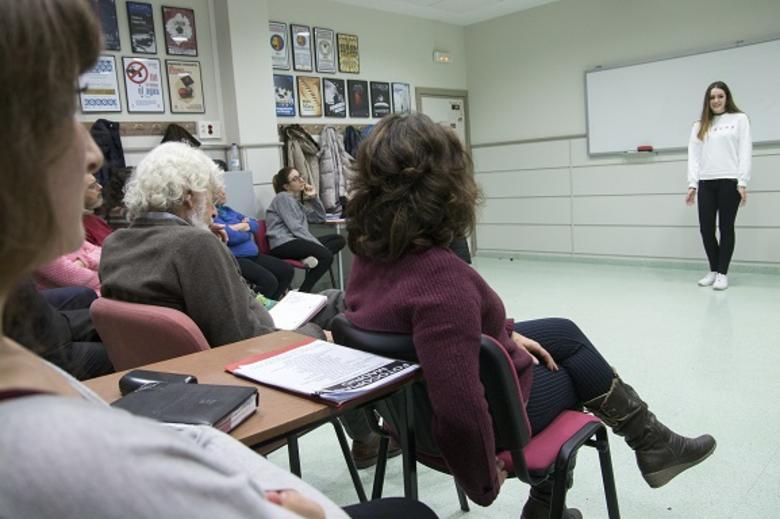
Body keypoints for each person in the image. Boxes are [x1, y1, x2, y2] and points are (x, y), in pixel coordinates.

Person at [0, 2, 436, 518]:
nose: (93, 154)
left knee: (327, 307)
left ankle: (371, 432)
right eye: (56, 108)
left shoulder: (118, 245)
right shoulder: (193, 245)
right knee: (343, 313)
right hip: (241, 367)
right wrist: (308, 329)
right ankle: (396, 431)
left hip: (180, 383)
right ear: (190, 195)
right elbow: (244, 332)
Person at [344, 113, 717, 518]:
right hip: (466, 425)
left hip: (406, 417)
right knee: (575, 375)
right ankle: (549, 507)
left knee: (564, 333)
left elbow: (426, 328)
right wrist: (484, 479)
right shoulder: (443, 281)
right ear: (445, 184)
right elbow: (459, 407)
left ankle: (654, 442)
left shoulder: (368, 258)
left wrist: (506, 332)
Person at [686, 81, 751, 291]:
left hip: (729, 181)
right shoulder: (699, 125)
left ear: (727, 97)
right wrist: (692, 184)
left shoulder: (739, 119)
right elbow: (693, 157)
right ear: (708, 100)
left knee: (726, 228)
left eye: (720, 96)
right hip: (706, 182)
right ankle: (713, 270)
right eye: (712, 97)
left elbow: (744, 151)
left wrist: (743, 182)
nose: (716, 101)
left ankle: (723, 273)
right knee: (706, 229)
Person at [266, 167, 346, 292]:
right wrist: (318, 246)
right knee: (326, 256)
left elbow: (319, 218)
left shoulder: (295, 201)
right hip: (283, 243)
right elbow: (296, 228)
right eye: (295, 179)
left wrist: (314, 197)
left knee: (338, 239)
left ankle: (307, 258)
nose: (301, 180)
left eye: (300, 176)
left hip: (296, 241)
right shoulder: (282, 198)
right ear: (286, 186)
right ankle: (304, 291)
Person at [214, 186, 294, 300]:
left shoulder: (228, 210)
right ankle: (251, 308)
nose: (224, 193)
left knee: (286, 271)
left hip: (253, 254)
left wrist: (238, 227)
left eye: (223, 190)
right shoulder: (213, 217)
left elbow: (255, 224)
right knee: (269, 282)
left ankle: (271, 304)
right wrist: (246, 229)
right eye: (219, 191)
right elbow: (231, 237)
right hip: (237, 258)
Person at [34, 172, 104, 294]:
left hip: (101, 291)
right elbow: (77, 278)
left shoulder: (64, 229)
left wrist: (84, 261)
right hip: (86, 300)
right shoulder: (37, 241)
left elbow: (102, 252)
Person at [82, 172, 113, 246]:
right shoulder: (78, 230)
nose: (100, 187)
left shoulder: (91, 217)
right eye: (92, 186)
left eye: (97, 183)